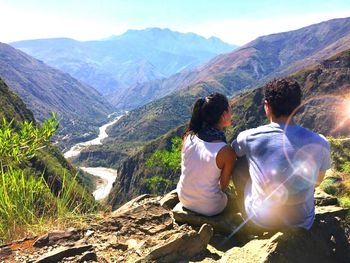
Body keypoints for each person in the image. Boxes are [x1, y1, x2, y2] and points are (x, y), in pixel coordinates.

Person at [231, 78, 331, 230]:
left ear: (267, 106)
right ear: (298, 107)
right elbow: (317, 181)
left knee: (240, 161)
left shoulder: (248, 137)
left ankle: (246, 218)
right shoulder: (321, 142)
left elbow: (231, 154)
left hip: (262, 221)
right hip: (302, 221)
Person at [177, 93, 236, 216]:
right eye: (230, 109)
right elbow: (223, 185)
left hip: (184, 198)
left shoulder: (189, 136)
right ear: (224, 115)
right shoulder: (225, 151)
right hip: (210, 207)